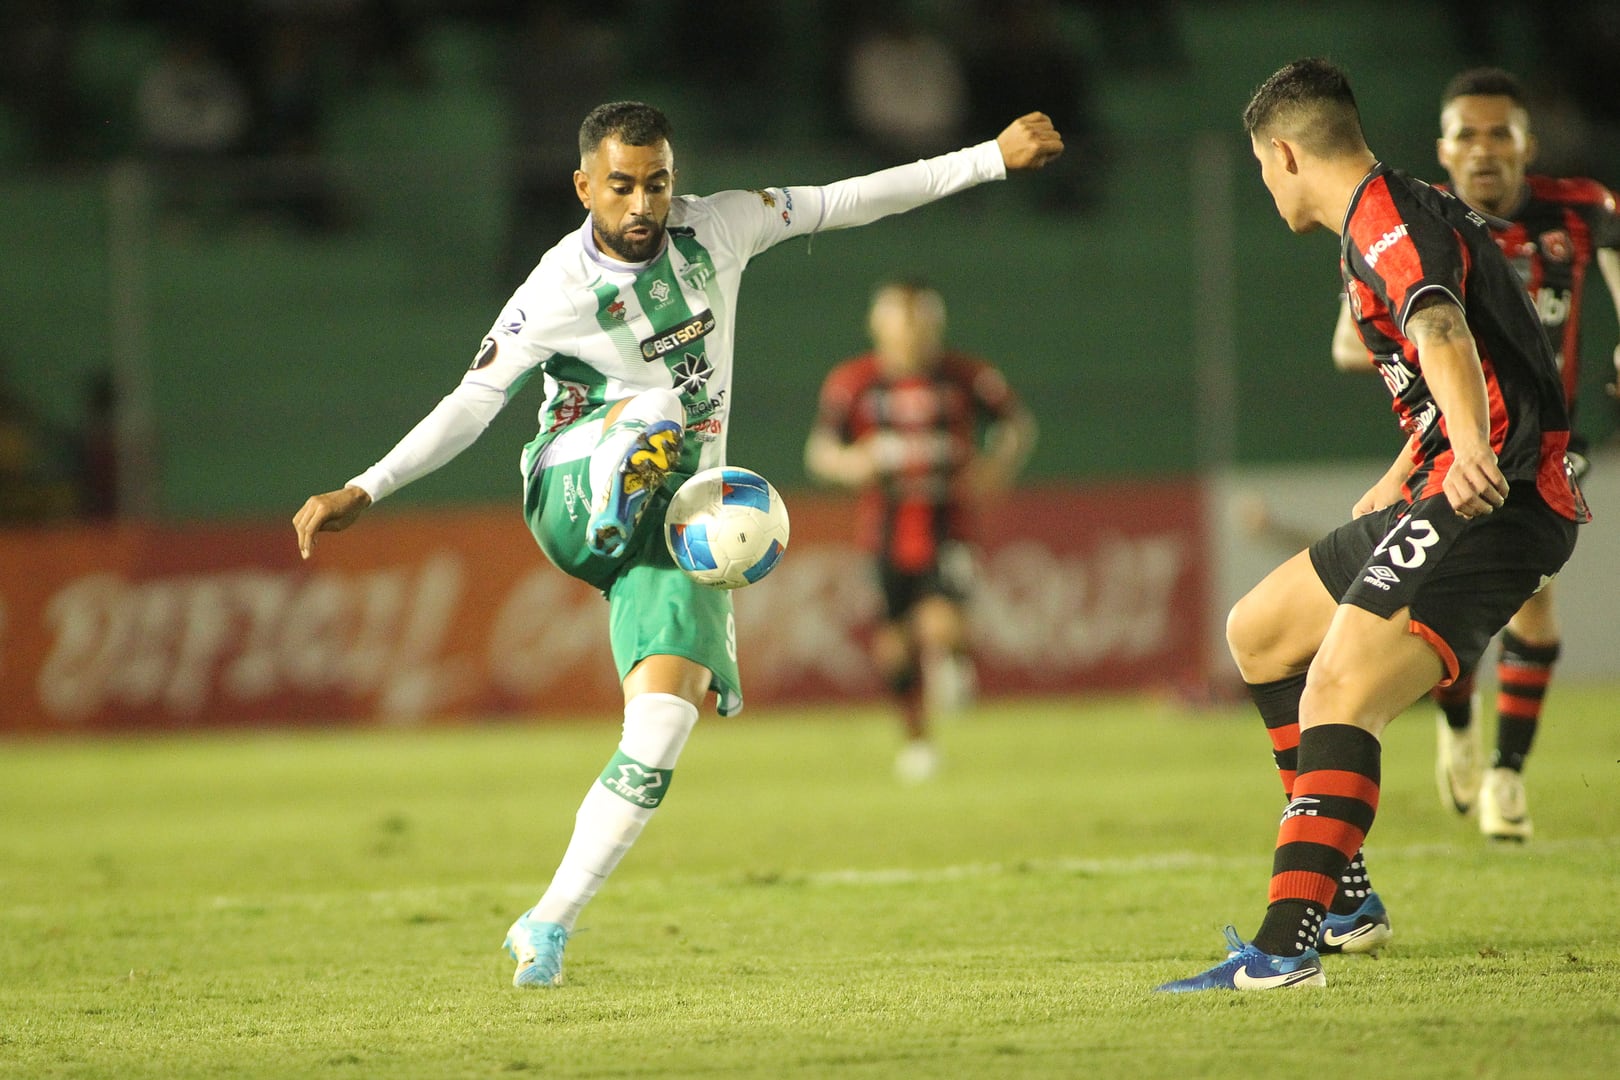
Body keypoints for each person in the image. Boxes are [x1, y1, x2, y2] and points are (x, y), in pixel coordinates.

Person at [292, 101, 1063, 989]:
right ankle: (621, 492)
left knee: (663, 726)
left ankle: (546, 926)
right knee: (661, 409)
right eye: (621, 186)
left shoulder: (719, 229)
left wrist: (989, 159)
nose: (642, 204)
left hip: (673, 523)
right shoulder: (555, 288)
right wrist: (368, 486)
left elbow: (849, 198)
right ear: (583, 186)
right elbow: (473, 402)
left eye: (656, 183)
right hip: (572, 485)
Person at [1157, 58, 1586, 993]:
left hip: (1497, 497)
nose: (1267, 185)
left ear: (1284, 155)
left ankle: (1284, 948)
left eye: (1261, 168)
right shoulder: (1389, 213)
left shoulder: (1388, 224)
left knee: (1339, 692)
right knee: (1261, 633)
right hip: (1443, 480)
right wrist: (1404, 471)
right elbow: (1470, 349)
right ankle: (1346, 902)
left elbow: (1443, 329)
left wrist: (1467, 451)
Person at [1331, 68, 1620, 841]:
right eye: (1467, 135)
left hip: (1545, 442)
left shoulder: (1578, 210)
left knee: (1533, 596)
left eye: (1500, 134)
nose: (1483, 150)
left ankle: (1506, 775)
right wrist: (1443, 337)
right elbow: (1348, 344)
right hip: (1451, 440)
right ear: (1443, 149)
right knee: (1446, 599)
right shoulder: (1418, 222)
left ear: (1528, 144)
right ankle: (1457, 720)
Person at [804, 280, 1037, 782]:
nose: (911, 332)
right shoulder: (853, 383)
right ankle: (917, 740)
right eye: (900, 320)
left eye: (920, 320)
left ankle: (953, 661)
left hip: (949, 525)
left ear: (936, 324)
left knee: (941, 623)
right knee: (894, 648)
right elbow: (821, 452)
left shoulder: (966, 376)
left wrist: (996, 467)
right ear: (878, 326)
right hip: (884, 533)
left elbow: (1016, 425)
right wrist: (853, 463)